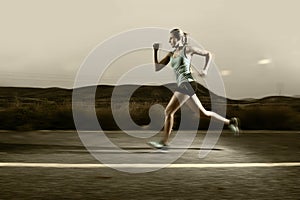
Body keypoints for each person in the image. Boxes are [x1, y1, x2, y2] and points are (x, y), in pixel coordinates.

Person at [148, 28, 239, 150]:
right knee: (203, 113)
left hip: (187, 84)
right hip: (184, 85)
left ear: (179, 38)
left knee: (169, 112)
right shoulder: (171, 54)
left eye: (171, 38)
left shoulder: (187, 49)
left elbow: (208, 54)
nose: (169, 41)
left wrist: (205, 70)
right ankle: (230, 122)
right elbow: (157, 68)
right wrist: (155, 51)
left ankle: (164, 142)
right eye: (169, 39)